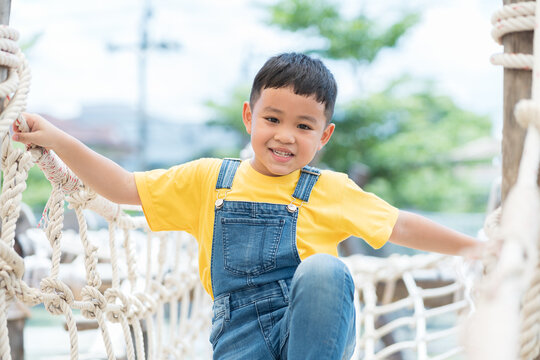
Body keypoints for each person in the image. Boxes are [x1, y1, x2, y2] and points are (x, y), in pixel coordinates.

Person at [13, 52, 479, 360]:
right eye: (272, 119)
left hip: (312, 337)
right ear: (249, 117)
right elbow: (124, 188)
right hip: (240, 338)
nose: (284, 135)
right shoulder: (208, 180)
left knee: (325, 271)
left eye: (303, 126)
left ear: (324, 136)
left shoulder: (330, 190)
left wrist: (475, 250)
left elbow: (403, 227)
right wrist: (56, 138)